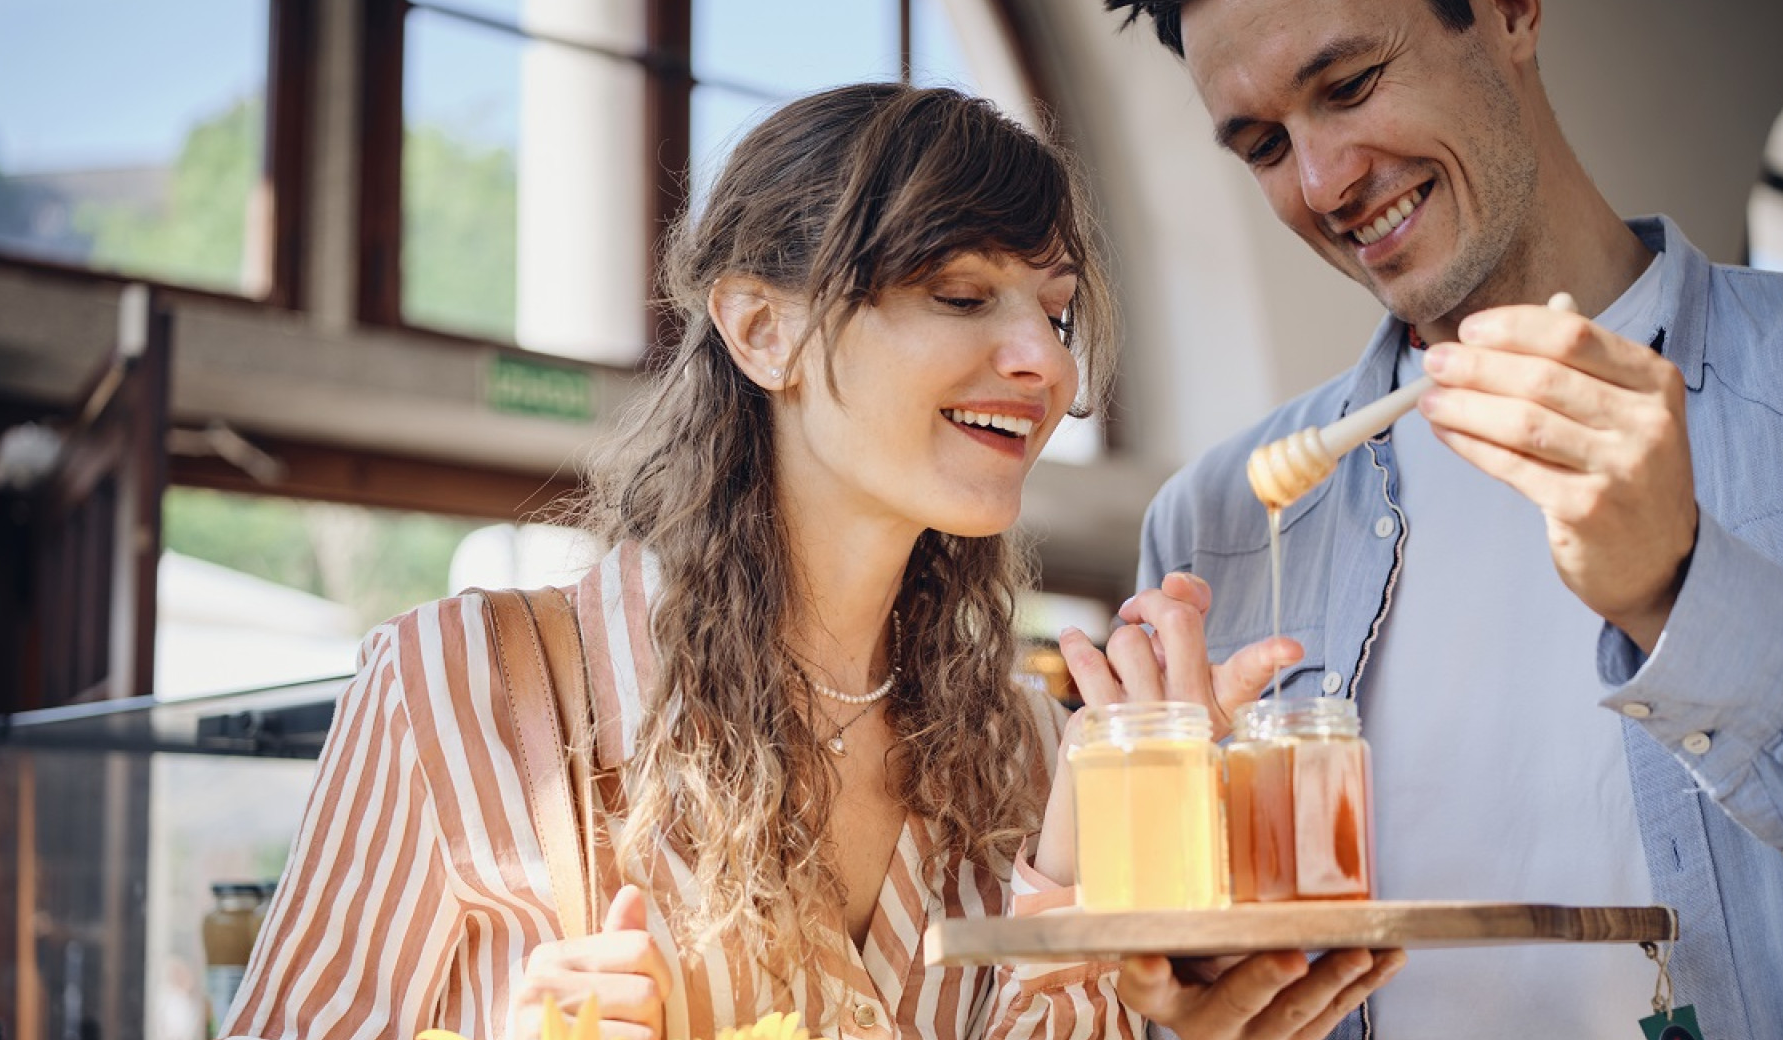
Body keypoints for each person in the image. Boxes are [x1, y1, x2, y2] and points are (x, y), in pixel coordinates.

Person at [218, 82, 1369, 1040]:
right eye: (961, 294)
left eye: (1057, 314)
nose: (1045, 365)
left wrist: (1083, 874)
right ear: (762, 330)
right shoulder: (461, 686)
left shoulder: (1027, 747)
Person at [1101, 0, 1783, 1037]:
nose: (1323, 183)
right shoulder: (1216, 522)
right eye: (1267, 145)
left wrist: (1677, 588)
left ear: (1510, 11)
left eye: (1352, 84)